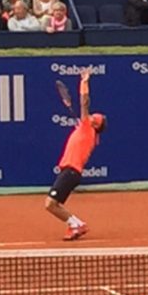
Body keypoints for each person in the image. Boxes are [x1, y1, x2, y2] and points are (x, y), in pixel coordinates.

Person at [44, 69, 107, 241]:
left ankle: (76, 224)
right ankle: (75, 224)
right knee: (53, 204)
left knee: (50, 204)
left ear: (96, 125)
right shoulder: (86, 130)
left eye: (97, 118)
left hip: (71, 171)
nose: (94, 116)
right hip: (70, 172)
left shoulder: (88, 128)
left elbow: (84, 103)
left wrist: (84, 81)